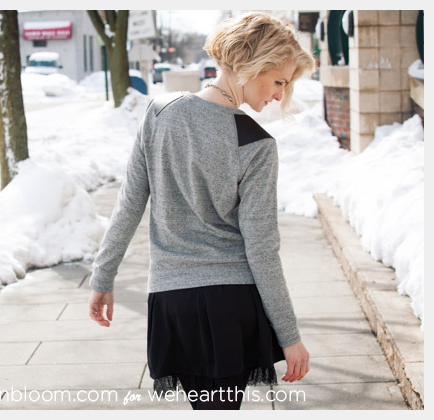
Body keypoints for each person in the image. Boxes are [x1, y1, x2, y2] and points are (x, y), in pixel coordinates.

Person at [88, 12, 315, 410]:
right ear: (250, 65)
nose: (280, 95)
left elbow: (129, 203)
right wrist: (290, 336)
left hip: (171, 301)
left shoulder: (159, 112)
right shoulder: (256, 144)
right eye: (279, 80)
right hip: (231, 305)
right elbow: (262, 248)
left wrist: (102, 277)